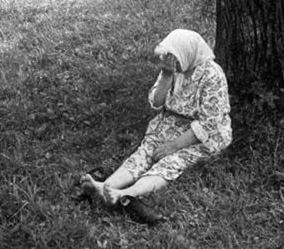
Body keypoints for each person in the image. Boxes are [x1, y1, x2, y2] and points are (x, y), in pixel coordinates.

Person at [78, 29, 232, 224]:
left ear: (187, 53)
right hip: (169, 124)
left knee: (171, 162)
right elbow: (156, 102)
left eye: (173, 56)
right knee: (144, 153)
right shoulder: (173, 69)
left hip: (201, 135)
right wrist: (166, 76)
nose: (169, 60)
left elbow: (209, 124)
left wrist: (173, 146)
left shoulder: (212, 74)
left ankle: (126, 193)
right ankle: (105, 187)